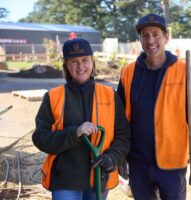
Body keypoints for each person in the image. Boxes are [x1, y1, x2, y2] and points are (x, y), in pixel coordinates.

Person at [117, 13, 191, 199]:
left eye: (155, 34)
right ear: (140, 40)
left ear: (166, 37)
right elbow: (118, 119)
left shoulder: (184, 72)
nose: (150, 40)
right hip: (137, 163)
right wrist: (119, 154)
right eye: (145, 35)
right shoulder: (128, 73)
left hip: (172, 164)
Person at [32, 38, 131, 200]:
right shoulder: (53, 97)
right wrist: (74, 133)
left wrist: (112, 157)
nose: (80, 66)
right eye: (74, 61)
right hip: (65, 181)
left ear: (92, 62)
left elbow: (124, 135)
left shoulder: (110, 95)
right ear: (66, 66)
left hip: (99, 177)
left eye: (85, 60)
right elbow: (40, 138)